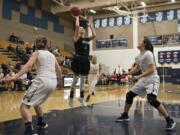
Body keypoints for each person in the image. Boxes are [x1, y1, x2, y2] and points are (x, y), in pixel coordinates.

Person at [115, 38, 176, 130]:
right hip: (144, 79)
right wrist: (128, 73)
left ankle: (169, 120)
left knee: (151, 99)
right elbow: (137, 68)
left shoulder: (148, 54)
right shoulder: (139, 56)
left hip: (152, 79)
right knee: (129, 95)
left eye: (140, 41)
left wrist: (138, 77)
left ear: (144, 44)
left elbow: (152, 69)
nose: (138, 42)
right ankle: (125, 115)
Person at [5, 37, 62, 135]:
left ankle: (29, 132)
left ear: (36, 44)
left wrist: (14, 77)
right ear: (46, 44)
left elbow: (28, 66)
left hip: (42, 80)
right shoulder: (52, 55)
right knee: (36, 102)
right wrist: (60, 83)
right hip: (53, 82)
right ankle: (41, 122)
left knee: (24, 106)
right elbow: (59, 70)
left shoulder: (36, 53)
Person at [68, 16, 96, 108]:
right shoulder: (76, 38)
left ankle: (81, 98)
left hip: (85, 60)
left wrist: (90, 25)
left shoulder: (86, 39)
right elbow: (76, 26)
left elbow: (94, 35)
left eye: (83, 28)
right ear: (78, 31)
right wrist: (77, 17)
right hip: (78, 59)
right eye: (81, 28)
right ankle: (71, 98)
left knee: (83, 81)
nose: (82, 28)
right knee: (75, 80)